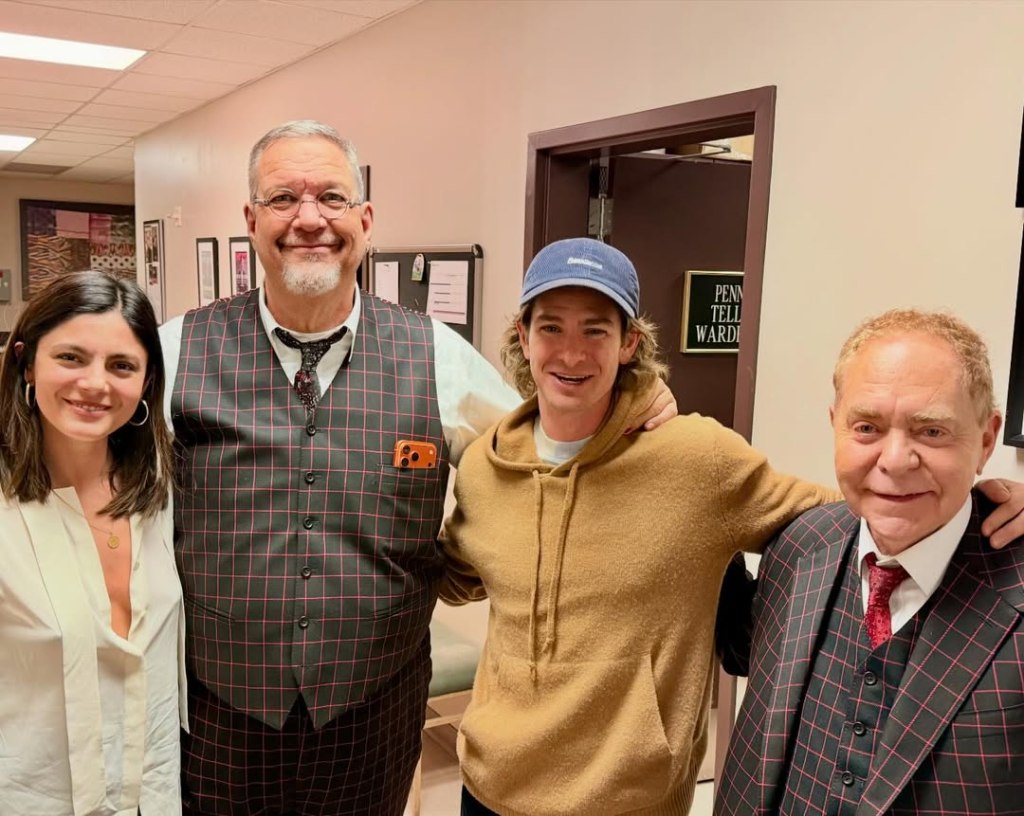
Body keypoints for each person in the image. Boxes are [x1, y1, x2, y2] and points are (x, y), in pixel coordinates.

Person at [159, 120, 676, 816]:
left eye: (332, 199)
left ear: (365, 220)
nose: (310, 219)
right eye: (284, 199)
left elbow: (543, 456)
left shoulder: (436, 354)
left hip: (374, 713)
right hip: (218, 711)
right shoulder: (175, 352)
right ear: (251, 220)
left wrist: (633, 401)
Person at [438, 242, 1024, 816]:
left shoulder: (696, 459)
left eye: (595, 329)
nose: (571, 352)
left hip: (627, 800)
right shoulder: (487, 469)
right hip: (491, 784)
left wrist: (979, 497)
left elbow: (857, 510)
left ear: (628, 344)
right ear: (523, 335)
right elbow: (457, 574)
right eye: (551, 328)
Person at [716, 310, 1024, 816]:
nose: (895, 460)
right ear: (834, 424)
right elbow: (746, 650)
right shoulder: (798, 547)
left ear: (987, 440)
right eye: (867, 427)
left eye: (932, 432)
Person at [0, 271, 185, 816]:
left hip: (149, 790)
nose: (95, 383)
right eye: (71, 357)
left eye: (121, 365)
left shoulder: (160, 486)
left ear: (148, 382)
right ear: (26, 362)